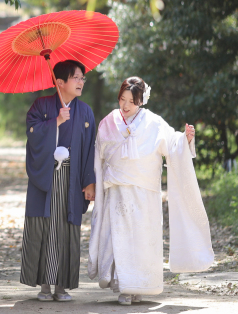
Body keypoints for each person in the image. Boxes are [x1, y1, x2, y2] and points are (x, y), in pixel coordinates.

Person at [87, 77, 214, 306]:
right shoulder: (108, 122)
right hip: (117, 191)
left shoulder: (153, 122)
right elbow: (98, 156)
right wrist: (95, 183)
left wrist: (184, 140)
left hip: (146, 192)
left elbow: (172, 145)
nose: (125, 106)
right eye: (122, 99)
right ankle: (124, 287)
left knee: (144, 238)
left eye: (131, 102)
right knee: (121, 238)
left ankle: (141, 286)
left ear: (141, 102)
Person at [20, 60, 97, 302]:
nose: (81, 82)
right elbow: (31, 132)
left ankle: (61, 286)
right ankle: (44, 285)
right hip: (47, 175)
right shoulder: (41, 105)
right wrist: (55, 122)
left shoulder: (85, 112)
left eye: (83, 78)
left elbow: (90, 149)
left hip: (72, 178)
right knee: (45, 227)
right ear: (60, 82)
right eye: (76, 77)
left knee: (65, 227)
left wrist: (89, 181)